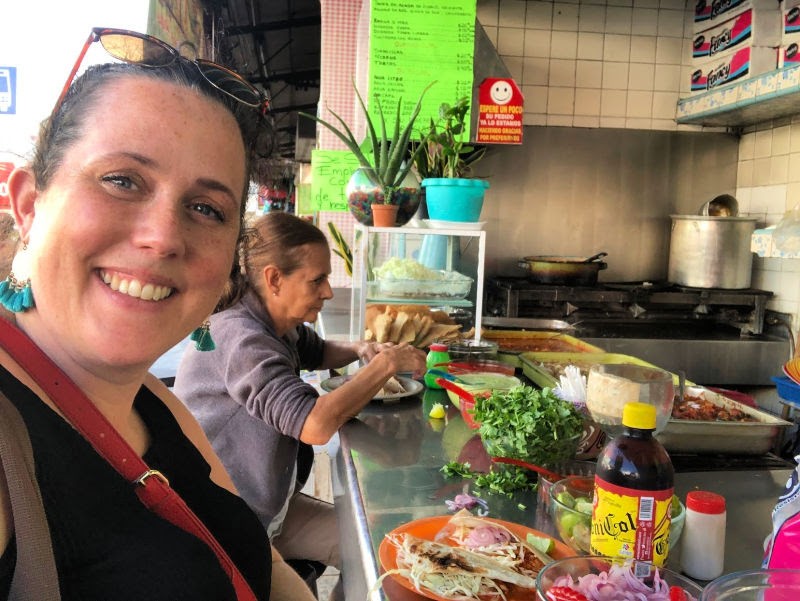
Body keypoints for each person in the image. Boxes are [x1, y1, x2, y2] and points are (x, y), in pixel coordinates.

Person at [0, 28, 316, 601]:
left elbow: (263, 570)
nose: (163, 237)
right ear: (29, 205)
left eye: (206, 208)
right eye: (122, 180)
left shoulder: (155, 403)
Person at [173, 211, 427, 595]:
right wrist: (386, 364)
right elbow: (314, 424)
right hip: (224, 526)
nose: (328, 291)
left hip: (269, 506)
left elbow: (319, 351)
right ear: (274, 279)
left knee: (377, 555)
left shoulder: (273, 321)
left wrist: (361, 348)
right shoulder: (243, 338)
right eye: (318, 280)